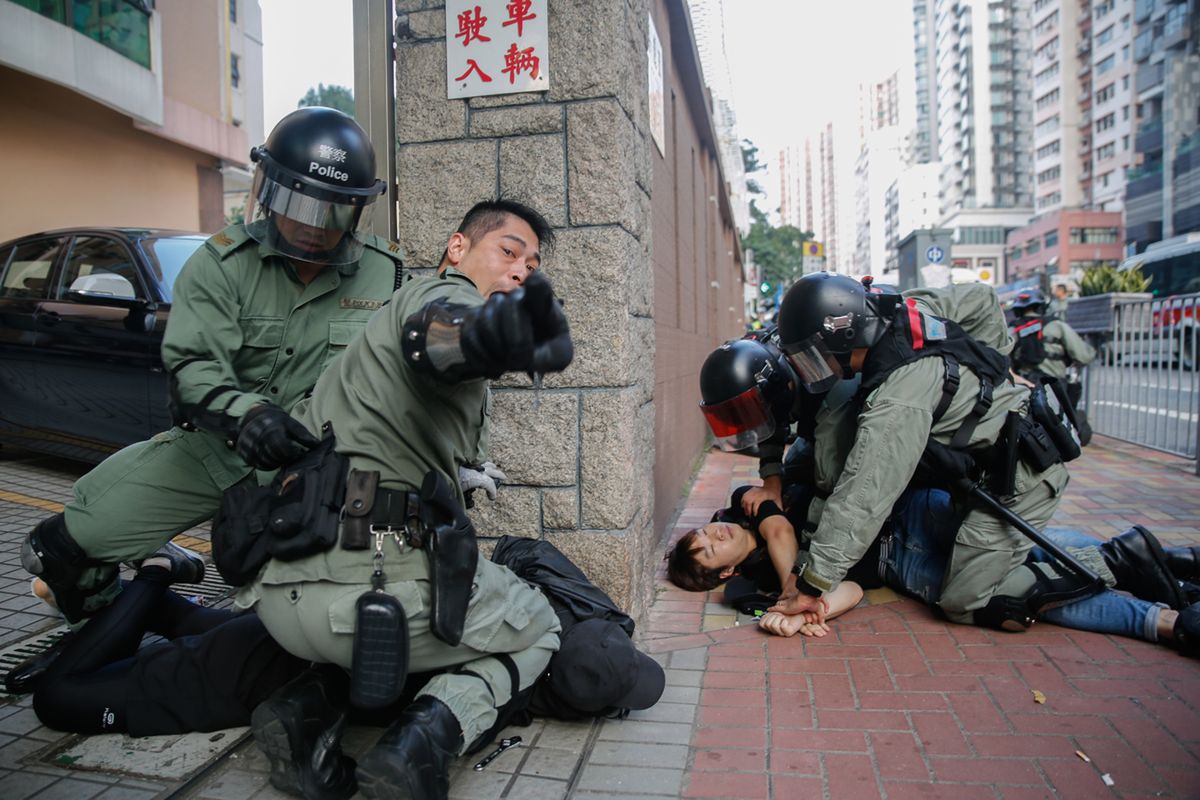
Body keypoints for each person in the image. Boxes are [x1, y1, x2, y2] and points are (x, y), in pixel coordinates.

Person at [17, 107, 402, 641]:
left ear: (357, 211)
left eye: (332, 211)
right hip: (218, 450)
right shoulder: (222, 265)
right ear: (269, 191)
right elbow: (193, 366)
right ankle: (100, 630)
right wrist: (248, 416)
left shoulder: (388, 274)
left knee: (332, 602)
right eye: (297, 204)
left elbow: (412, 367)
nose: (312, 227)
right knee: (59, 547)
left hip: (323, 467)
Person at [237, 199, 572, 800]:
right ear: (457, 248)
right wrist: (496, 336)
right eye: (508, 251)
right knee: (539, 625)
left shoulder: (378, 327)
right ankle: (419, 749)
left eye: (534, 262)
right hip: (367, 596)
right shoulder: (443, 301)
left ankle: (305, 711)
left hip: (280, 599)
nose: (522, 268)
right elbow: (442, 340)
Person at [769, 273, 1186, 631]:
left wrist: (812, 583)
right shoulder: (909, 310)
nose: (821, 369)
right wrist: (995, 369)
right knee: (994, 556)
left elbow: (863, 496)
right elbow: (983, 299)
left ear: (846, 335)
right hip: (1004, 459)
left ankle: (1117, 561)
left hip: (1022, 478)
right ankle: (1154, 564)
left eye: (818, 356)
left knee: (966, 601)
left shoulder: (897, 399)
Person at [665, 484, 1200, 654]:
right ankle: (1167, 620)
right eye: (710, 550)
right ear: (725, 575)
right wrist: (820, 605)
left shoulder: (750, 501)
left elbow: (781, 530)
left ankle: (1164, 568)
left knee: (1035, 544)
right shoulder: (749, 589)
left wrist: (796, 591)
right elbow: (849, 584)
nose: (716, 535)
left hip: (913, 513)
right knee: (1026, 593)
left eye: (707, 532)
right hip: (904, 567)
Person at [1009, 288, 1096, 413]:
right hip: (1055, 387)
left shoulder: (1012, 330)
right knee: (1062, 425)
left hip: (1023, 387)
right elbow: (1084, 355)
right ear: (1041, 306)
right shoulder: (1057, 326)